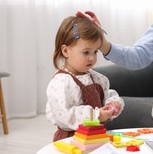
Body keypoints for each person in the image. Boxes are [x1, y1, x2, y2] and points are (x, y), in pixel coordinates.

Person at [46, 14, 124, 142]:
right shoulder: (61, 82)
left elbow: (106, 96)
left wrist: (113, 103)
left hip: (97, 137)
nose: (92, 58)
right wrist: (96, 115)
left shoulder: (97, 78)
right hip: (71, 140)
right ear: (66, 51)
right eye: (86, 52)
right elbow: (64, 115)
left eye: (95, 52)